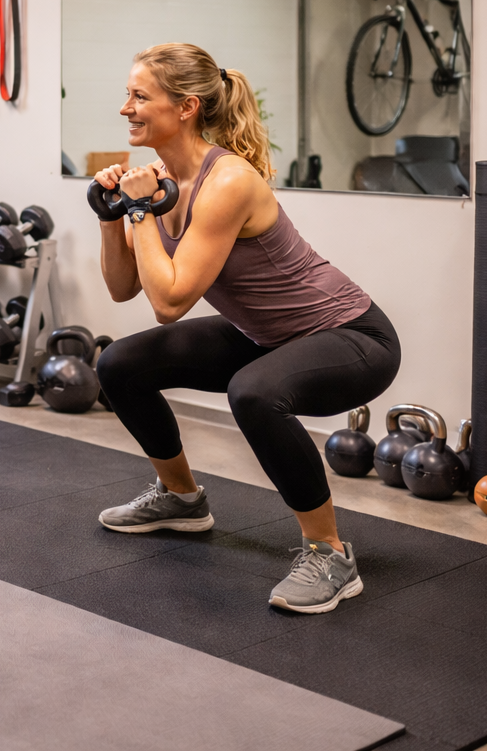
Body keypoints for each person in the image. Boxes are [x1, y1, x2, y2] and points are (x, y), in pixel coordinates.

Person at [91, 43, 400, 615]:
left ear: (186, 107)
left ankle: (330, 553)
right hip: (266, 335)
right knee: (118, 364)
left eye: (139, 96)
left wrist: (139, 211)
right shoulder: (159, 179)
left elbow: (172, 300)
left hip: (352, 335)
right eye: (128, 95)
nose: (125, 108)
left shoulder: (227, 181)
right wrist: (114, 216)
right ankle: (181, 499)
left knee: (255, 393)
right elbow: (122, 288)